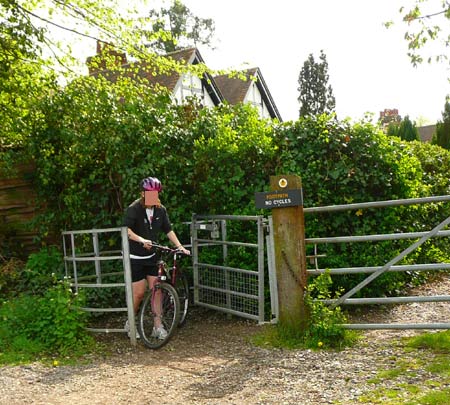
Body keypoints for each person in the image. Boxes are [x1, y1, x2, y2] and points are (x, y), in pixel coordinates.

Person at [123, 176, 190, 339]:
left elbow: (168, 230)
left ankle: (157, 326)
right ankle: (130, 323)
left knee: (157, 290)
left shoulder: (161, 210)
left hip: (151, 256)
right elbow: (126, 230)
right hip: (135, 256)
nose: (153, 196)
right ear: (143, 193)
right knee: (138, 293)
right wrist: (141, 240)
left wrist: (180, 246)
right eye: (150, 193)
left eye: (156, 193)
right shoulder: (134, 209)